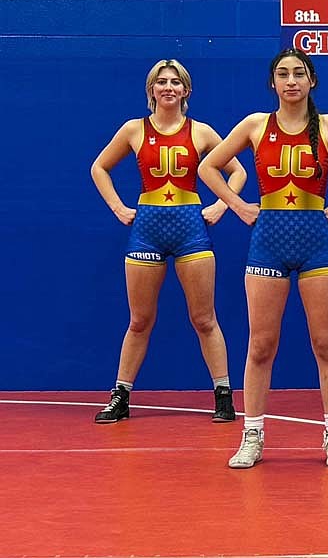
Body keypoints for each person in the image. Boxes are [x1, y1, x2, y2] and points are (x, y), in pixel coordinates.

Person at [198, 48, 328, 469]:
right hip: (267, 240)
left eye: (299, 73)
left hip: (316, 241)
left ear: (312, 81)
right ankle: (253, 435)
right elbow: (209, 167)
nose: (291, 81)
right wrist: (238, 205)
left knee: (326, 343)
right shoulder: (254, 125)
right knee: (261, 345)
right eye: (282, 74)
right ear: (273, 83)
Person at [91, 59, 248, 424]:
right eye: (161, 82)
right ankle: (121, 395)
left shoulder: (202, 132)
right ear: (151, 90)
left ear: (186, 91)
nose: (168, 87)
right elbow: (99, 167)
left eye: (175, 82)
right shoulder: (134, 130)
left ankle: (223, 395)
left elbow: (237, 171)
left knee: (204, 317)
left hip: (190, 228)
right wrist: (118, 207)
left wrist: (222, 205)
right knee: (140, 320)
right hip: (147, 227)